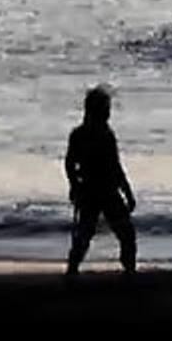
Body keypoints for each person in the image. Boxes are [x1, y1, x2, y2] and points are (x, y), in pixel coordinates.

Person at [65, 86, 138, 275]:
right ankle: (128, 269)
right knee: (120, 232)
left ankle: (74, 269)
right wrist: (127, 192)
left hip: (95, 190)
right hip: (100, 190)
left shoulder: (85, 134)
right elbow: (114, 166)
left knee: (89, 233)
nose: (108, 112)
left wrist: (75, 185)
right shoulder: (96, 135)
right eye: (106, 108)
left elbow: (70, 165)